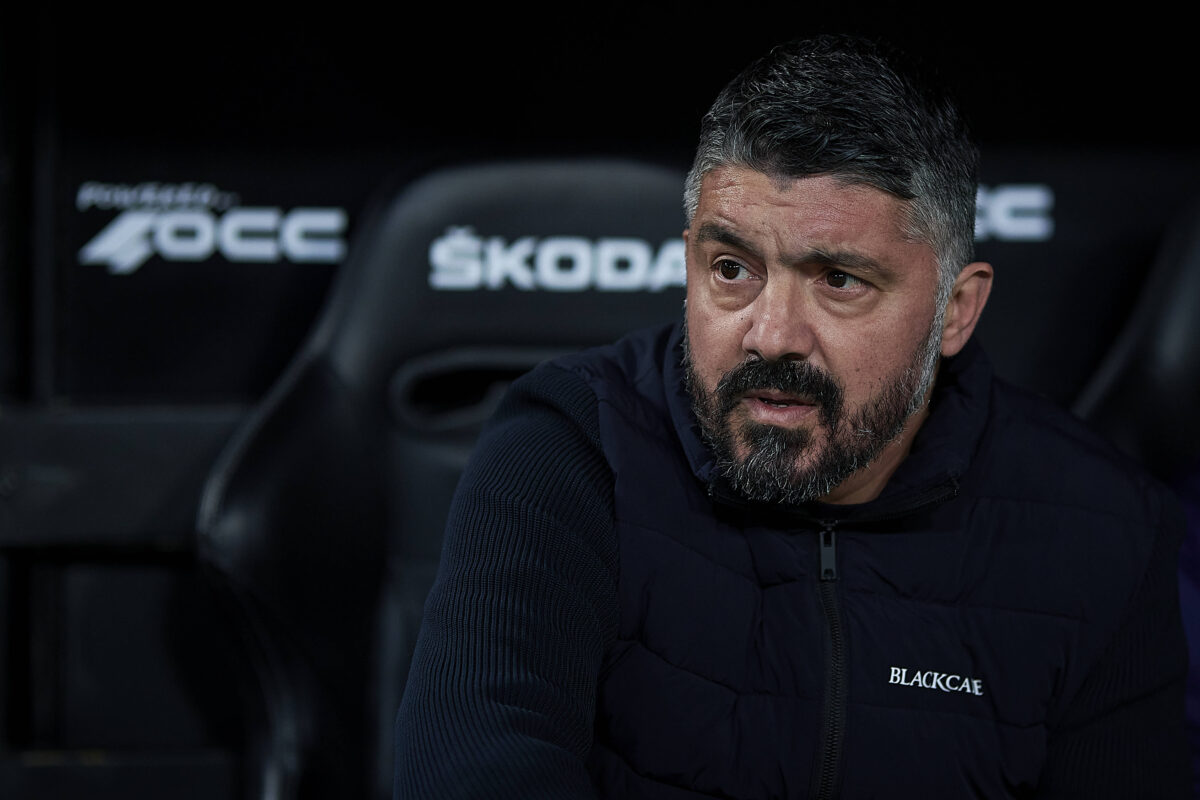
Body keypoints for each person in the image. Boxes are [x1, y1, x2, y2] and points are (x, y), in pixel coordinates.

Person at [393, 34, 1190, 798]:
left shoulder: (1106, 528)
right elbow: (478, 766)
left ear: (956, 310)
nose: (771, 335)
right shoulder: (569, 446)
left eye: (839, 280)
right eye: (731, 269)